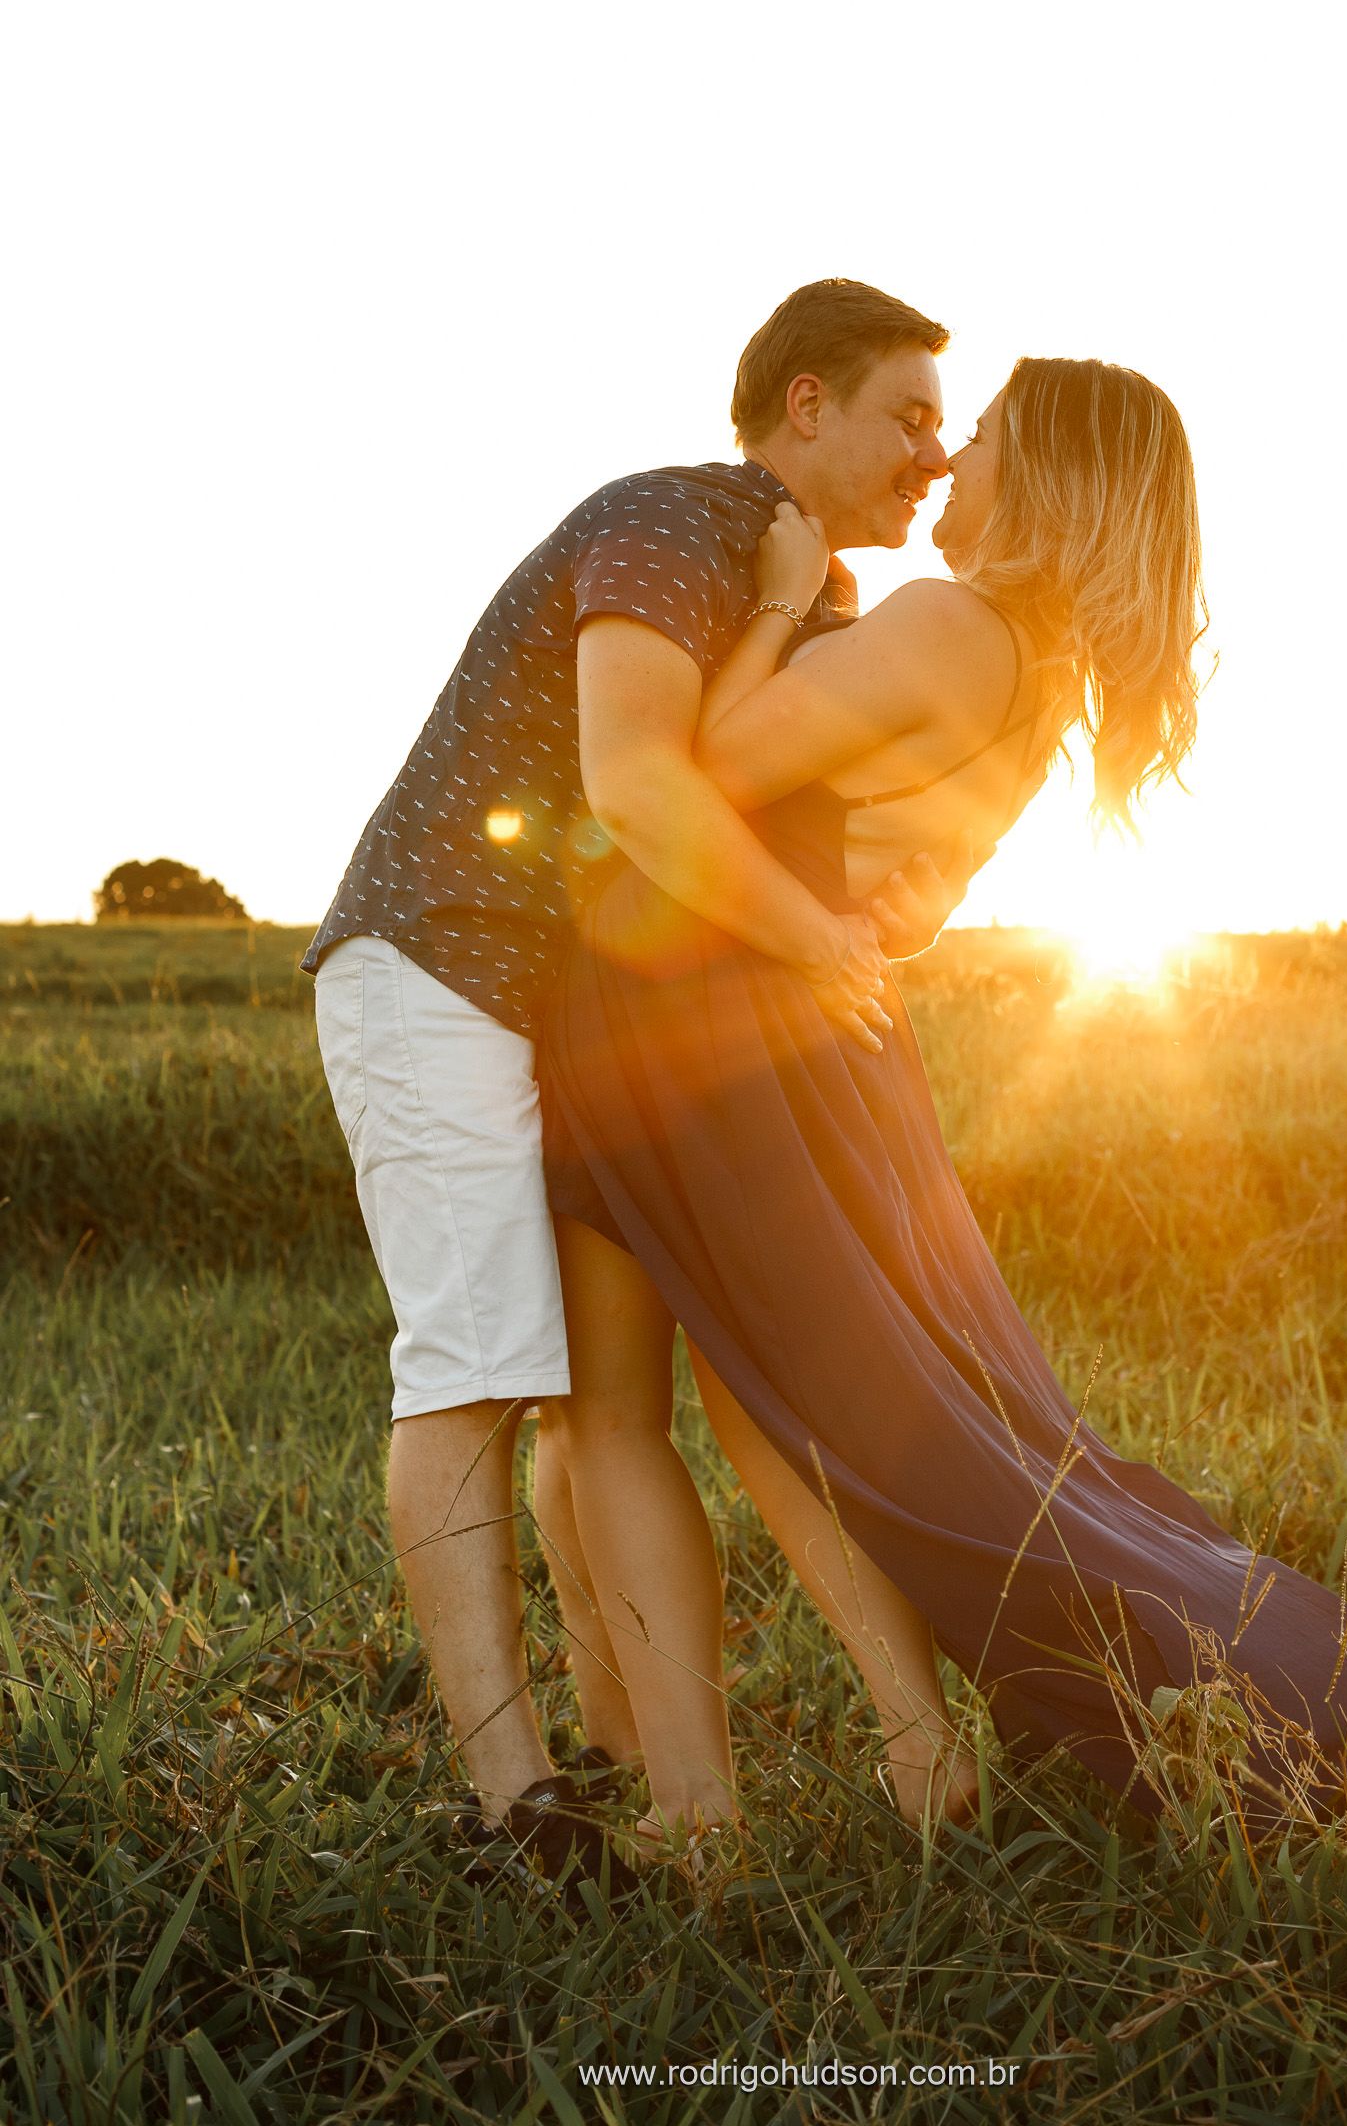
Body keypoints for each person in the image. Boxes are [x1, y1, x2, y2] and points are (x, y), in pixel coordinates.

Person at [538, 356, 1347, 1849]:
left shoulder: (946, 620)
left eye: (983, 439)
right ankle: (873, 1753)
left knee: (661, 1402)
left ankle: (714, 1786)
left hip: (698, 1016)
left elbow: (691, 765)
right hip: (811, 1032)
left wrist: (778, 594)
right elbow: (906, 902)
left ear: (1039, 481)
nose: (950, 456)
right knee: (795, 1396)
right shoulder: (1039, 677)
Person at [302, 279, 970, 1900]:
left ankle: (622, 1749)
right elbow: (639, 787)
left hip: (568, 1016)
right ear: (803, 405)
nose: (933, 460)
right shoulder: (680, 516)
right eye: (909, 415)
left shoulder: (798, 604)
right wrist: (818, 941)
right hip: (442, 963)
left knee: (581, 1399)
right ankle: (512, 1809)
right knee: (476, 1364)